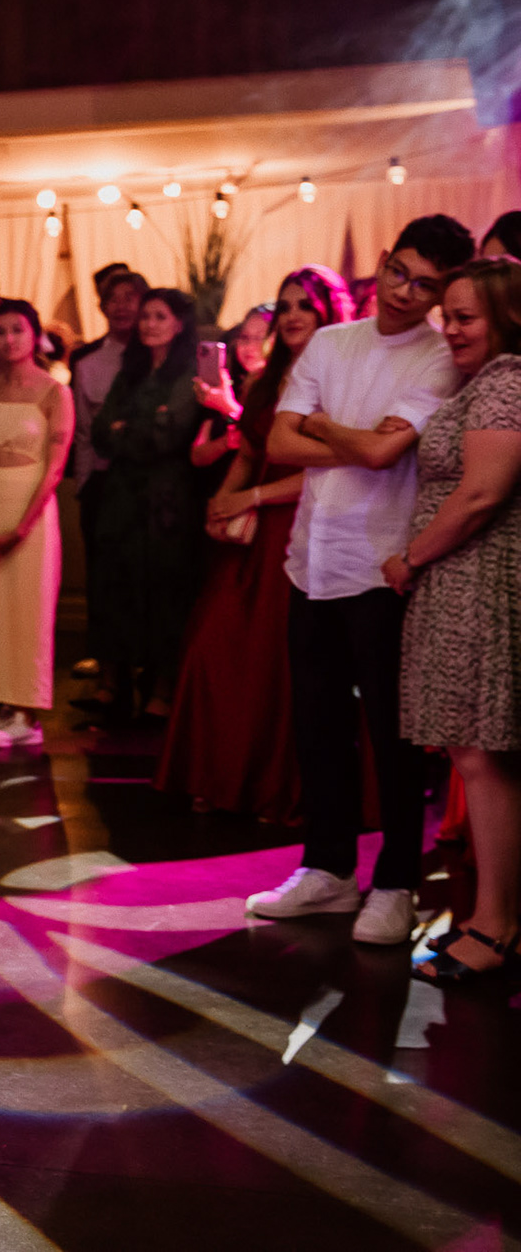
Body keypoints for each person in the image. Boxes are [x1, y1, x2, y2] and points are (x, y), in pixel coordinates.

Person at [247, 214, 474, 944]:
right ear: (382, 261)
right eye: (401, 272)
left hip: (385, 564)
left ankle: (398, 881)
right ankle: (328, 870)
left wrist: (324, 429)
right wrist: (352, 437)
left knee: (392, 734)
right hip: (310, 557)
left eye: (427, 286)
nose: (407, 292)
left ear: (443, 296)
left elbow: (382, 458)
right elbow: (279, 441)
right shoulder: (330, 341)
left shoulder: (438, 359)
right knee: (318, 724)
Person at [156, 268, 347, 819]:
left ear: (327, 314)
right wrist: (227, 496)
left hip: (301, 529)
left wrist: (254, 497)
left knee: (274, 664)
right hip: (250, 536)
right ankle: (219, 777)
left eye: (303, 306)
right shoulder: (267, 379)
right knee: (212, 649)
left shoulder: (337, 379)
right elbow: (248, 448)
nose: (290, 316)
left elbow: (329, 469)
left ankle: (272, 787)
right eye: (284, 305)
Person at [386, 258, 521, 983]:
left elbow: (480, 494)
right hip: (470, 579)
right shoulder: (489, 382)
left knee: (482, 756)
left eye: (466, 316)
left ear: (506, 317)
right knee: (485, 755)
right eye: (450, 316)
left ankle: (494, 930)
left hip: (481, 582)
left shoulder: (505, 381)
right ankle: (495, 921)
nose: (450, 328)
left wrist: (410, 556)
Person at [0, 300, 72, 748]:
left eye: (18, 330)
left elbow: (56, 466)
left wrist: (23, 527)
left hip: (31, 505)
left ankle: (25, 710)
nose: (9, 339)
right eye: (1, 330)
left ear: (34, 334)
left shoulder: (53, 391)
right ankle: (0, 703)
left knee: (29, 609)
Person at [87, 287, 203, 721]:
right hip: (121, 495)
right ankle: (112, 680)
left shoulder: (188, 370)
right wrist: (134, 427)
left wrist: (127, 430)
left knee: (164, 590)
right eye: (145, 316)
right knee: (115, 584)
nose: (148, 324)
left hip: (166, 497)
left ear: (178, 323)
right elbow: (100, 431)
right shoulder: (131, 369)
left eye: (159, 316)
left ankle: (162, 686)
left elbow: (168, 433)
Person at [67, 268, 146, 712]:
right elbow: (80, 432)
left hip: (147, 486)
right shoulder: (88, 360)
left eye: (130, 297)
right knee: (104, 584)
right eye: (113, 298)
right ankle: (109, 676)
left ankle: (146, 676)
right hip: (100, 483)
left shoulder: (160, 355)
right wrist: (83, 486)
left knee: (143, 583)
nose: (122, 305)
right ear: (101, 305)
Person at [190, 304, 274, 497]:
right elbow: (197, 455)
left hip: (255, 493)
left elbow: (266, 447)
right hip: (215, 486)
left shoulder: (280, 390)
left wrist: (228, 408)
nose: (249, 345)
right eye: (244, 337)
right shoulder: (230, 386)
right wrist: (227, 441)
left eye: (260, 337)